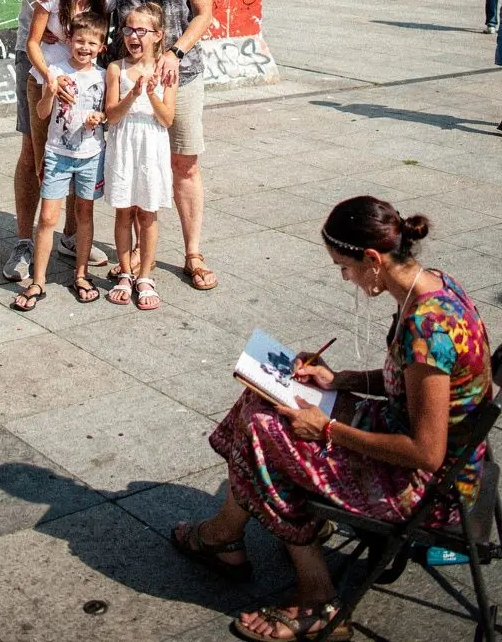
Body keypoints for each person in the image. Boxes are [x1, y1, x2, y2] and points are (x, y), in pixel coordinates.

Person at [171, 195, 492, 641]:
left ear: (374, 259)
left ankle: (317, 597)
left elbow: (427, 452)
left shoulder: (428, 328)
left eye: (345, 266)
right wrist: (338, 380)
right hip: (424, 447)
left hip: (429, 489)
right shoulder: (433, 285)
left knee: (264, 433)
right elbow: (412, 387)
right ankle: (223, 537)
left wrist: (327, 429)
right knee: (258, 403)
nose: (345, 277)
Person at [0, 0, 129, 282]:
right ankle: (25, 242)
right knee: (35, 153)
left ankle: (72, 235)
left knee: (80, 148)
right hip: (39, 64)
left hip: (87, 72)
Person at [106, 0, 216, 290]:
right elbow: (99, 7)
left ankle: (193, 253)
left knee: (184, 164)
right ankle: (133, 251)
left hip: (179, 76)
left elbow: (204, 13)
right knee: (135, 163)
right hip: (131, 76)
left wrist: (177, 52)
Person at [12, 12, 108, 312]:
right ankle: (38, 280)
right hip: (57, 154)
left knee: (84, 214)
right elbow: (40, 114)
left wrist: (100, 117)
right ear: (69, 41)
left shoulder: (104, 76)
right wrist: (50, 93)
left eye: (92, 43)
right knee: (48, 218)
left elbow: (109, 113)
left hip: (90, 156)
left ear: (102, 46)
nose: (85, 47)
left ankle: (81, 274)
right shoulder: (54, 71)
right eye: (80, 41)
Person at [104, 3, 176, 312]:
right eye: (128, 29)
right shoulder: (116, 69)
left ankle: (145, 275)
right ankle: (124, 272)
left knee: (147, 214)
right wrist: (132, 94)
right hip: (123, 145)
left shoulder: (166, 69)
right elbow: (111, 115)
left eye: (141, 31)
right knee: (123, 212)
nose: (134, 36)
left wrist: (150, 94)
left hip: (151, 146)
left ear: (158, 36)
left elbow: (167, 118)